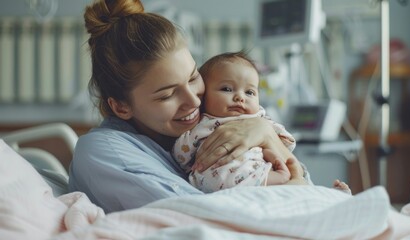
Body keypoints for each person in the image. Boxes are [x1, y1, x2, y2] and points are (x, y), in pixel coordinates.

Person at [68, 0, 311, 213]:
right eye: (168, 95)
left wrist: (267, 134)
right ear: (121, 107)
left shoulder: (206, 129)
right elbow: (202, 216)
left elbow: (303, 184)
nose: (194, 100)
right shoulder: (103, 152)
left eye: (193, 77)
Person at [172, 51, 351, 194]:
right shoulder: (201, 124)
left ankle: (328, 197)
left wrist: (266, 136)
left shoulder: (260, 119)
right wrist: (189, 159)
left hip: (259, 176)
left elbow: (284, 143)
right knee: (290, 190)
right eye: (227, 89)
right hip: (214, 182)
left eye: (249, 92)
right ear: (204, 97)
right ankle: (324, 197)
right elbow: (181, 154)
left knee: (289, 190)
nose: (239, 97)